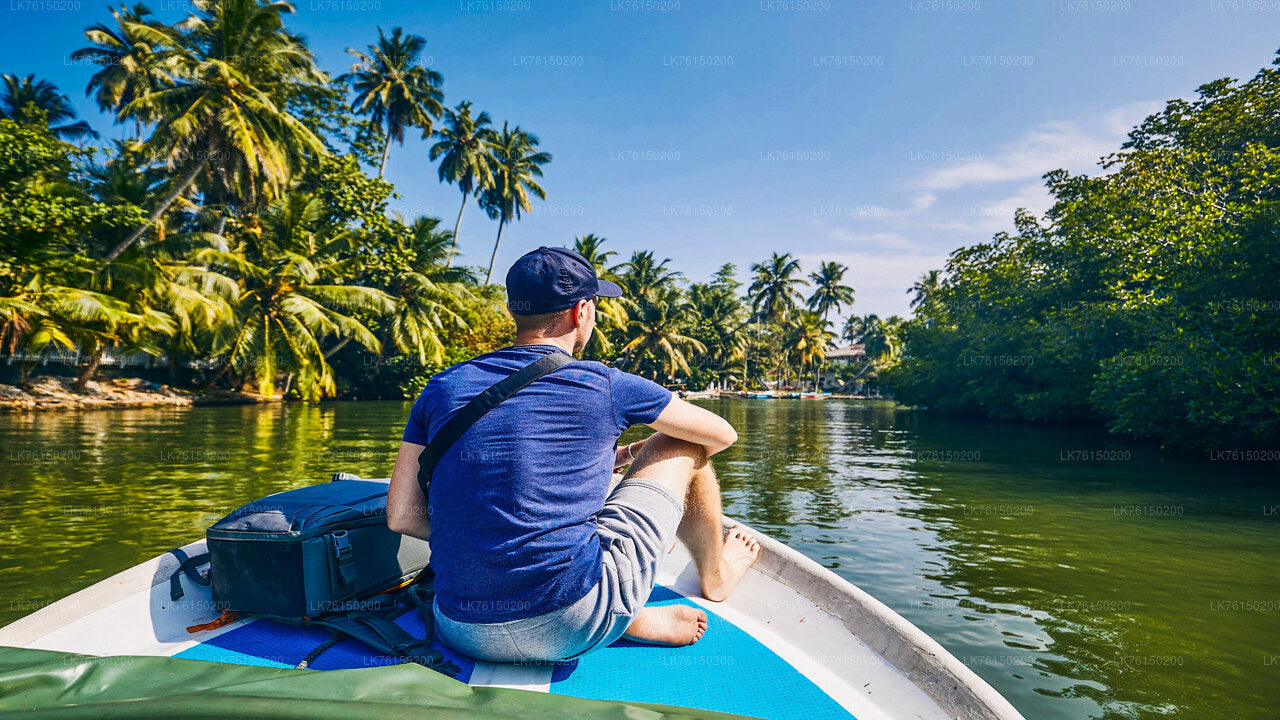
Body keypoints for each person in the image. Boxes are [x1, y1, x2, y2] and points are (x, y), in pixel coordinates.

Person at [386, 245, 759, 662]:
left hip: (459, 627)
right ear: (581, 312)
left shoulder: (442, 387)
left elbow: (402, 516)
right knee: (683, 442)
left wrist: (610, 456)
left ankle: (617, 615)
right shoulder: (605, 382)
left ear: (515, 310)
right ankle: (714, 576)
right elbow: (721, 435)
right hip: (570, 620)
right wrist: (641, 453)